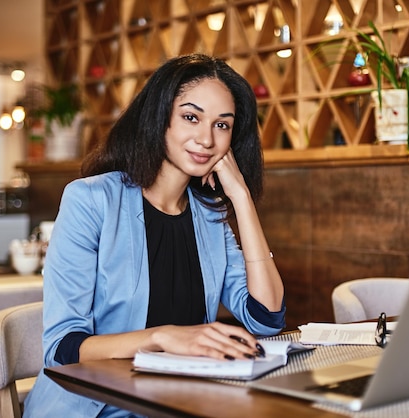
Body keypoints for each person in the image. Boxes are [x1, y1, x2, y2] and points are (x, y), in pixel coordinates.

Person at [23, 54, 286, 417]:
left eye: (222, 125)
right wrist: (162, 338)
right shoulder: (91, 200)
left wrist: (241, 199)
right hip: (100, 409)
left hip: (183, 403)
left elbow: (265, 317)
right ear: (159, 117)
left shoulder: (208, 216)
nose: (206, 139)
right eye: (191, 117)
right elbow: (63, 347)